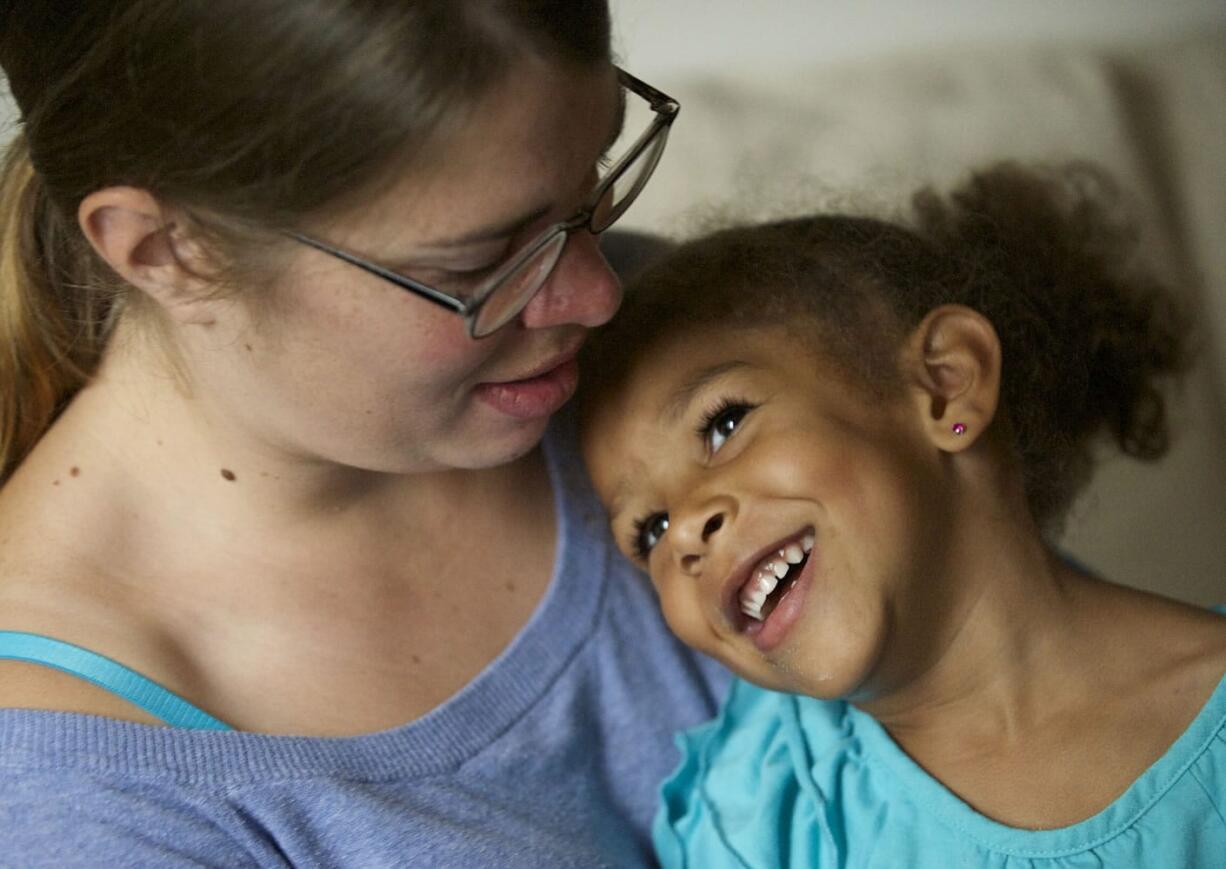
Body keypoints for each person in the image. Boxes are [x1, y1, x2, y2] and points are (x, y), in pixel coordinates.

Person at [0, 2, 729, 865]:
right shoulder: (82, 804)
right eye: (477, 263)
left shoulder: (693, 343)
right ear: (164, 250)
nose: (597, 292)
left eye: (595, 172)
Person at [578, 162, 1226, 867]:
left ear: (947, 385)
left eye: (724, 423)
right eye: (648, 531)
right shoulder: (757, 815)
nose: (687, 535)